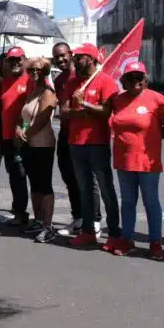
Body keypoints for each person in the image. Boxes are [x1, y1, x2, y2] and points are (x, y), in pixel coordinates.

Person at [108, 61, 164, 259]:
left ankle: (155, 243)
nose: (135, 81)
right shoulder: (118, 100)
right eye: (130, 77)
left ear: (145, 79)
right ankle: (127, 239)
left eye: (139, 77)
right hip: (123, 161)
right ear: (124, 80)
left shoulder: (156, 99)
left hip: (148, 162)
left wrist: (154, 139)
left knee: (151, 202)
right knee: (128, 202)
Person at [59, 43, 121, 249]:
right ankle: (87, 231)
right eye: (75, 57)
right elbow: (65, 111)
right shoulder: (72, 83)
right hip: (76, 143)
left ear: (92, 59)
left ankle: (114, 233)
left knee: (105, 188)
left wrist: (83, 104)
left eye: (80, 57)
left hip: (97, 143)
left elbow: (106, 112)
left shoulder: (106, 82)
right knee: (84, 189)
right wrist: (83, 110)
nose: (76, 60)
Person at [52, 42, 99, 237]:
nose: (61, 59)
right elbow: (62, 111)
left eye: (64, 55)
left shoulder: (84, 76)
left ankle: (95, 219)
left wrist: (75, 112)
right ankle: (78, 218)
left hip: (84, 136)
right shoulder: (60, 79)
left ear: (71, 55)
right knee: (69, 177)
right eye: (57, 57)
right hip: (65, 134)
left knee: (89, 180)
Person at [18, 57, 59, 243]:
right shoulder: (33, 91)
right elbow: (26, 117)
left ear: (45, 71)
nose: (34, 72)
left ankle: (48, 226)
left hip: (43, 144)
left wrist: (25, 134)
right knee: (34, 184)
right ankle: (38, 220)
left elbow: (42, 120)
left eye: (38, 69)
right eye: (31, 70)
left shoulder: (48, 93)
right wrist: (20, 128)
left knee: (44, 185)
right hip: (29, 144)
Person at [0, 47, 32, 227]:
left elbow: (34, 110)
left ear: (25, 60)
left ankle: (24, 213)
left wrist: (24, 128)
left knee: (22, 174)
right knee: (14, 175)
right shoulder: (5, 81)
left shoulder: (31, 80)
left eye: (19, 59)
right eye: (12, 60)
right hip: (7, 138)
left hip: (24, 138)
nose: (16, 63)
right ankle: (18, 209)